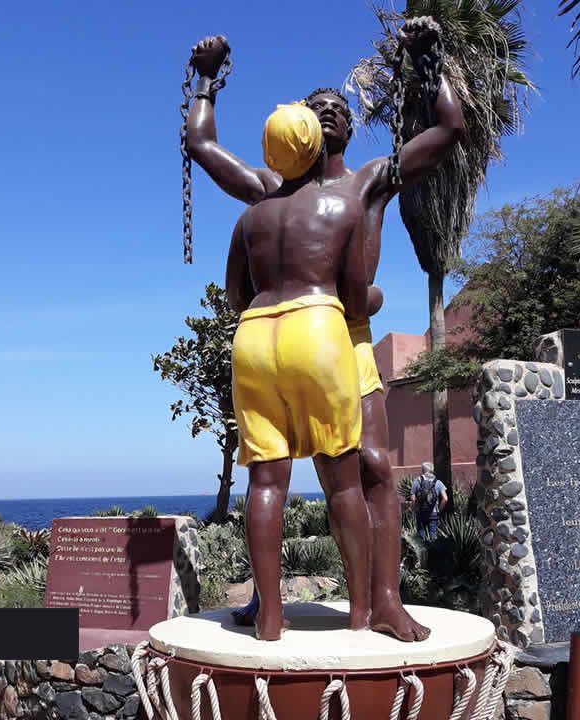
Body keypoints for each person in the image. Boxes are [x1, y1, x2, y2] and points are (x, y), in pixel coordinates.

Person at [184, 18, 463, 643]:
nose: (329, 110)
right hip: (313, 333)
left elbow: (447, 132)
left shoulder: (367, 180)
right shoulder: (268, 192)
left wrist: (430, 62)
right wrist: (206, 81)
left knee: (373, 469)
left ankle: (384, 600)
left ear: (348, 127)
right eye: (317, 108)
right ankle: (269, 600)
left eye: (338, 106)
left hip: (348, 341)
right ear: (304, 130)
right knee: (289, 474)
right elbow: (202, 149)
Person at [407, 462, 448, 541]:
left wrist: (412, 509)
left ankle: (422, 552)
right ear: (432, 470)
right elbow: (445, 499)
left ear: (422, 470)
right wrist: (439, 510)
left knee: (421, 538)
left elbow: (413, 499)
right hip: (433, 513)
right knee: (434, 537)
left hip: (420, 512)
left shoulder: (416, 482)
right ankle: (433, 552)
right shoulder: (438, 482)